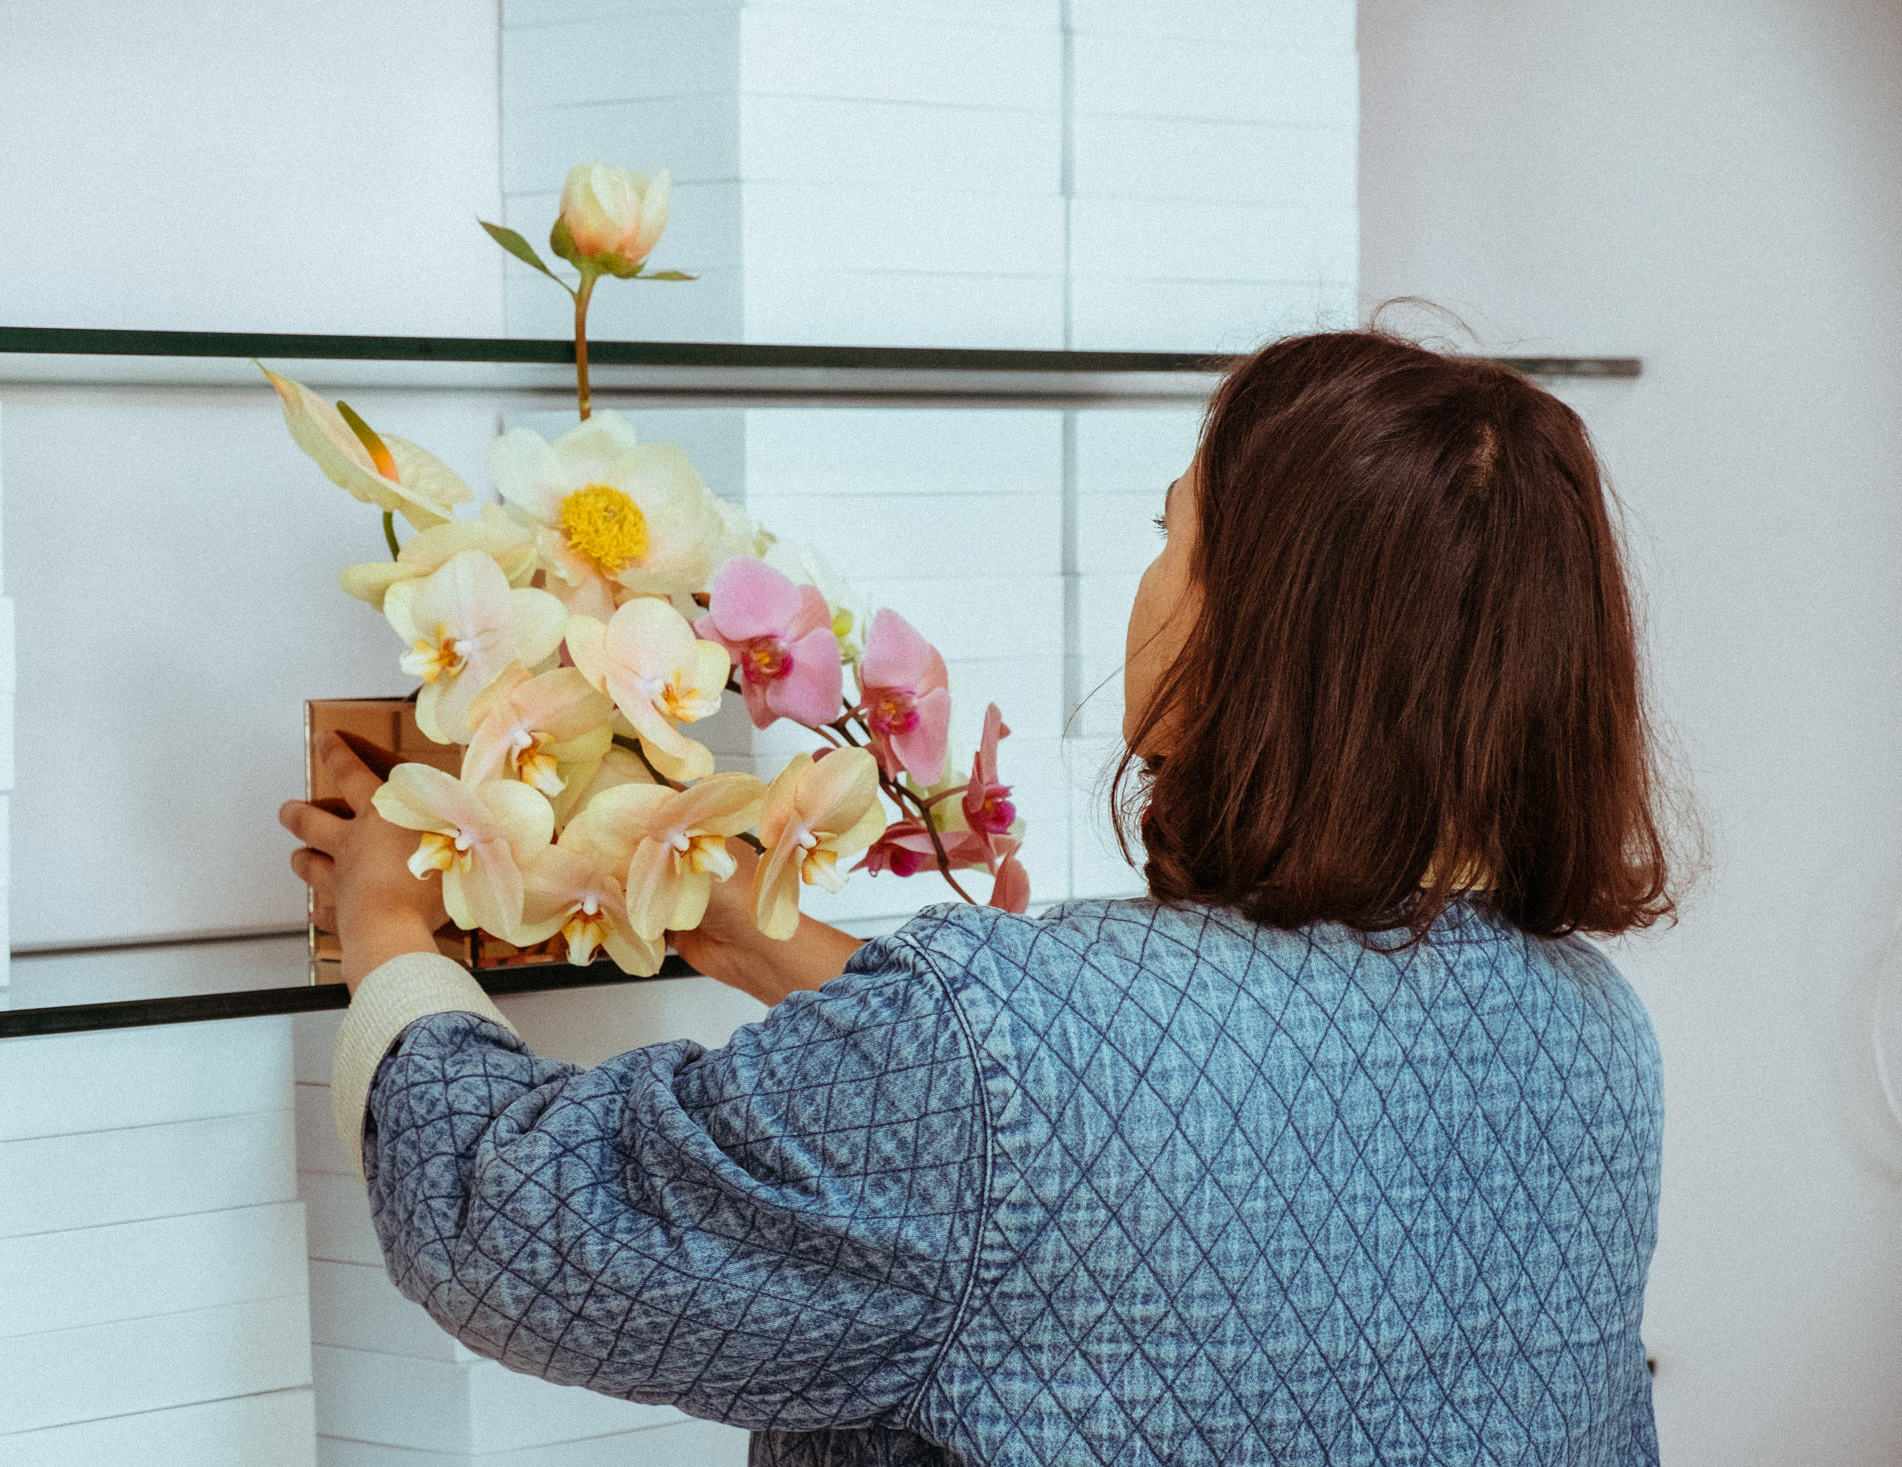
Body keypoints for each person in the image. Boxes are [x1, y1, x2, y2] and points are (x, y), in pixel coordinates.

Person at [280, 329, 1673, 1466]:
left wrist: (393, 930)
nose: (1147, 581)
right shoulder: (1597, 1041)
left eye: (1171, 532)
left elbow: (518, 1233)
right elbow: (1147, 1171)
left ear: (1266, 623)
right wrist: (767, 946)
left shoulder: (999, 1038)